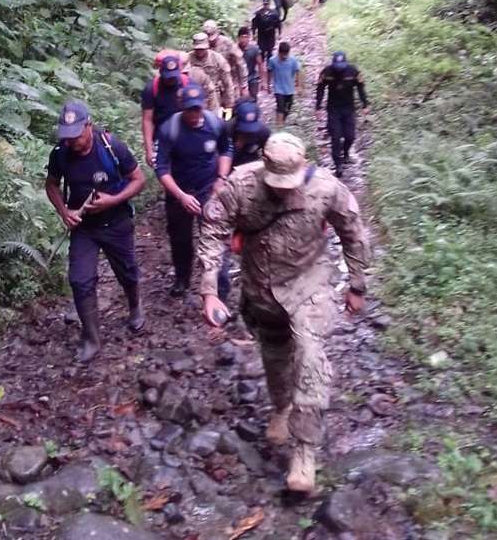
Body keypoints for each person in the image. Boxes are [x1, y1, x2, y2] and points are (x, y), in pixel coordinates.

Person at [197, 132, 370, 494]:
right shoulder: (240, 185)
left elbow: (352, 231)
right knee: (275, 355)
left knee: (309, 356)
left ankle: (304, 453)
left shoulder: (326, 188)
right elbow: (213, 230)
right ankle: (281, 407)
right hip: (261, 289)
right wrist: (210, 290)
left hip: (309, 284)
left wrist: (357, 285)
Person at [45, 101, 147, 362]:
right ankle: (91, 338)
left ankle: (135, 307)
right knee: (80, 280)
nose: (72, 142)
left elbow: (139, 180)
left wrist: (113, 200)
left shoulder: (111, 148)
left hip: (117, 223)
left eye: (77, 136)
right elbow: (52, 185)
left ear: (88, 126)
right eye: (67, 137)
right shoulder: (60, 153)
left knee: (127, 271)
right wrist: (64, 212)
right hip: (85, 228)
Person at [156, 84, 233, 298]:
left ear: (204, 105)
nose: (194, 114)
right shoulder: (169, 129)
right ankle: (182, 278)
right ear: (182, 107)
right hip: (179, 192)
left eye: (197, 108)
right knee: (180, 239)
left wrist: (221, 178)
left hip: (209, 189)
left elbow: (226, 149)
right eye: (189, 109)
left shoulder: (215, 124)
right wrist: (180, 195)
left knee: (215, 237)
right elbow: (161, 168)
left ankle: (221, 290)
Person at [315, 51, 369, 177]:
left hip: (349, 109)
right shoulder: (327, 72)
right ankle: (338, 164)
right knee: (336, 137)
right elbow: (320, 88)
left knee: (350, 136)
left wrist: (365, 104)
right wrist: (318, 107)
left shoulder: (353, 71)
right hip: (333, 109)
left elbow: (361, 87)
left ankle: (345, 153)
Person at [141, 53, 186, 168]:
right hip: (161, 135)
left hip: (184, 132)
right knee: (164, 169)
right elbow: (147, 120)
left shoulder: (187, 84)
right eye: (168, 77)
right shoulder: (151, 89)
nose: (171, 80)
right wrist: (149, 149)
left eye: (173, 76)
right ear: (161, 73)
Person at [188, 32, 235, 115]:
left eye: (202, 49)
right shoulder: (188, 59)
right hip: (193, 96)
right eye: (197, 49)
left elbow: (227, 83)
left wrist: (229, 103)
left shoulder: (217, 58)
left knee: (214, 120)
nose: (199, 51)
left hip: (213, 96)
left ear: (207, 46)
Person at [203, 19, 248, 100]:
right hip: (211, 86)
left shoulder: (227, 43)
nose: (211, 41)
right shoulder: (202, 46)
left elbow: (240, 63)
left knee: (229, 109)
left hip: (229, 83)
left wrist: (243, 85)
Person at [228, 98, 270, 167]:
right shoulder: (227, 130)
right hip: (232, 163)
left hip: (252, 162)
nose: (247, 133)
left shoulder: (263, 132)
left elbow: (267, 155)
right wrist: (237, 146)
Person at [267, 41, 301, 126]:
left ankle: (282, 120)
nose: (284, 56)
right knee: (280, 106)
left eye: (286, 54)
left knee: (288, 107)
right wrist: (268, 85)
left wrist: (298, 84)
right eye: (283, 54)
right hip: (278, 88)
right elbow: (269, 72)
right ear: (279, 52)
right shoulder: (272, 60)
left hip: (290, 89)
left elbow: (297, 71)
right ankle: (279, 125)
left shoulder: (293, 60)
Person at [237, 26, 265, 102]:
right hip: (239, 80)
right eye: (242, 37)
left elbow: (260, 64)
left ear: (249, 38)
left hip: (252, 78)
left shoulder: (254, 49)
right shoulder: (234, 50)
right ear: (238, 38)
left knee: (252, 100)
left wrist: (262, 81)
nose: (244, 40)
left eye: (246, 37)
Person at [251, 0, 282, 64]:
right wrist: (253, 33)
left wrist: (279, 33)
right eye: (265, 4)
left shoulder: (274, 13)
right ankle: (261, 66)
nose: (266, 5)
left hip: (270, 33)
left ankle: (269, 67)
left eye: (267, 4)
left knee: (270, 50)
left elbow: (278, 23)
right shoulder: (258, 13)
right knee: (261, 50)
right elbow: (254, 24)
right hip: (261, 34)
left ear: (269, 4)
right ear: (263, 4)